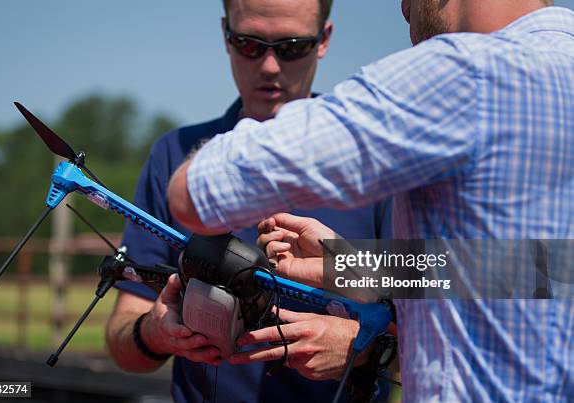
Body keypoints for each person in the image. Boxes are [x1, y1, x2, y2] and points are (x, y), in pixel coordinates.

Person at [167, 0, 574, 401]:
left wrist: (246, 129)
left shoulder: (459, 72)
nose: (403, 9)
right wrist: (348, 267)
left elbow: (194, 195)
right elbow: (541, 270)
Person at [105, 0, 393, 402]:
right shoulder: (176, 155)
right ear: (226, 35)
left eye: (291, 46)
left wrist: (362, 344)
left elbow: (447, 302)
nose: (271, 66)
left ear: (323, 39)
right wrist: (154, 332)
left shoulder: (380, 157)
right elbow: (124, 343)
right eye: (250, 45)